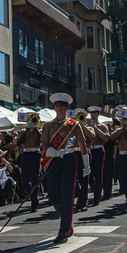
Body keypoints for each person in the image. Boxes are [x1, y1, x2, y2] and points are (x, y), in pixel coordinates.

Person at [40, 94, 86, 242]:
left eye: (62, 105)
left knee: (67, 195)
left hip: (69, 160)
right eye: (57, 105)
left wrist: (87, 164)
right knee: (53, 195)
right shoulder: (47, 125)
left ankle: (64, 230)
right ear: (54, 107)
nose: (59, 108)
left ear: (66, 108)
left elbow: (82, 144)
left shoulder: (74, 124)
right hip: (54, 160)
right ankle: (66, 219)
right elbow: (44, 144)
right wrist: (52, 152)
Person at [16, 112, 43, 212]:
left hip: (35, 154)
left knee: (35, 177)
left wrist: (35, 128)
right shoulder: (25, 131)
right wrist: (25, 132)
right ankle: (31, 194)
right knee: (25, 179)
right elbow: (18, 142)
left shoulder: (38, 131)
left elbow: (41, 140)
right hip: (26, 154)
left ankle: (34, 201)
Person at [86, 106, 109, 206]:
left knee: (98, 174)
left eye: (95, 113)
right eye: (91, 113)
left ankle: (97, 197)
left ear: (98, 114)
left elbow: (106, 139)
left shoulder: (103, 126)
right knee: (88, 174)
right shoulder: (86, 125)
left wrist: (95, 127)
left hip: (99, 150)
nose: (93, 115)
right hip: (89, 149)